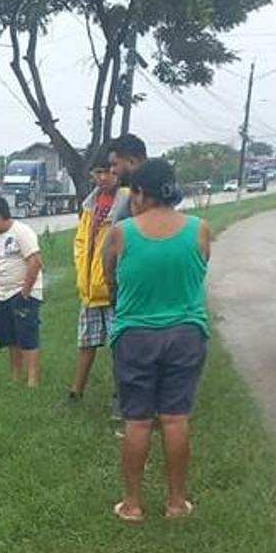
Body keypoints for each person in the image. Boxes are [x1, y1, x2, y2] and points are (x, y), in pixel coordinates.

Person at [105, 158, 211, 522]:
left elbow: (111, 280)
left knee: (136, 422)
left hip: (134, 335)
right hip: (185, 334)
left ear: (139, 192)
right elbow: (199, 272)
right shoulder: (199, 229)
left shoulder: (122, 233)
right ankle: (176, 502)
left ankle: (132, 505)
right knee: (175, 419)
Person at [69, 147, 129, 402]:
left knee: (121, 349)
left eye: (107, 171)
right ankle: (75, 393)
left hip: (114, 289)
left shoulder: (127, 200)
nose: (103, 177)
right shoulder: (90, 205)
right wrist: (82, 274)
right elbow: (81, 242)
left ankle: (121, 395)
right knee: (86, 343)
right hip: (90, 290)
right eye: (98, 172)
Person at [0, 195, 44, 388]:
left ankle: (33, 379)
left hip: (23, 292)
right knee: (10, 338)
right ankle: (15, 376)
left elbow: (35, 261)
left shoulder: (22, 232)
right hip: (2, 295)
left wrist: (24, 292)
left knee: (27, 336)